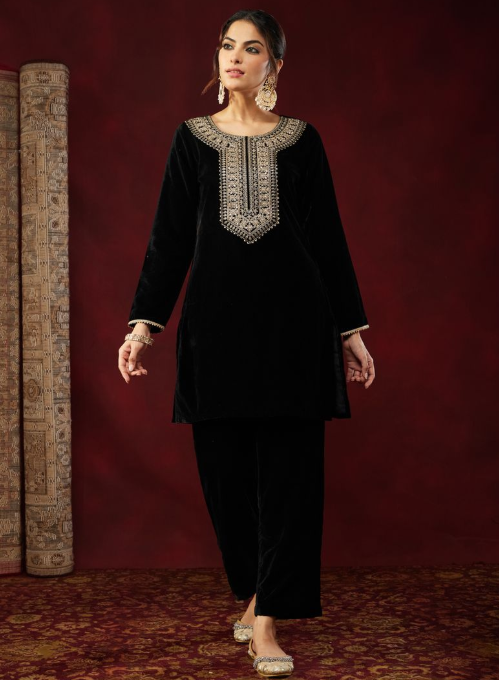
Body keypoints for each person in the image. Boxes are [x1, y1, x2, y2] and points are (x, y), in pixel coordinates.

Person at [118, 9, 375, 678]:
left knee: (291, 477)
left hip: (295, 328)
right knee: (225, 477)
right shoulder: (191, 139)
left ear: (274, 65)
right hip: (215, 331)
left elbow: (328, 239)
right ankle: (255, 589)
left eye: (251, 47)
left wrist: (350, 333)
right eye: (227, 45)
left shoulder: (302, 140)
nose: (234, 56)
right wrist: (143, 326)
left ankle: (266, 622)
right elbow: (169, 239)